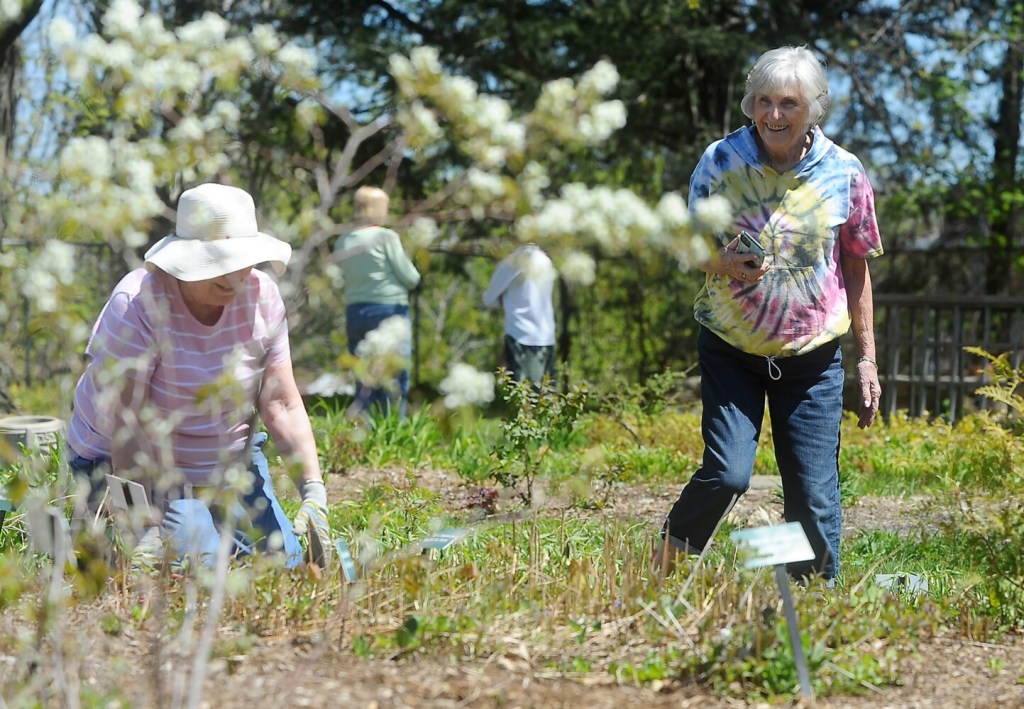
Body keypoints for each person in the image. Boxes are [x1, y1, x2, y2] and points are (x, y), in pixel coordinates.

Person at [655, 46, 883, 584]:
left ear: (815, 109)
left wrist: (868, 359)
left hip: (811, 358)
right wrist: (723, 263)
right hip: (731, 348)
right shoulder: (721, 160)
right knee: (729, 474)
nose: (773, 115)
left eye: (788, 103)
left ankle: (812, 605)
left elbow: (857, 264)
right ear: (750, 103)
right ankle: (662, 572)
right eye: (763, 101)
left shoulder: (844, 172)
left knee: (813, 493)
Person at [67, 183, 331, 568]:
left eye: (239, 260)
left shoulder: (263, 297)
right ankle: (102, 527)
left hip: (226, 458)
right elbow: (127, 422)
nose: (231, 276)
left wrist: (313, 492)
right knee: (196, 568)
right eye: (216, 262)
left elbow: (280, 402)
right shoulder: (138, 304)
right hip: (137, 461)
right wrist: (143, 521)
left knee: (280, 564)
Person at [333, 186, 421, 418]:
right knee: (394, 375)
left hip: (355, 311)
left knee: (363, 375)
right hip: (389, 310)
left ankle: (361, 432)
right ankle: (393, 430)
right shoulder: (386, 237)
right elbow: (411, 278)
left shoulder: (343, 240)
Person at [482, 244, 557, 387]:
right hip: (547, 336)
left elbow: (489, 299)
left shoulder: (512, 262)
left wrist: (505, 299)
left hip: (520, 335)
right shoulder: (546, 260)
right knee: (547, 397)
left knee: (523, 397)